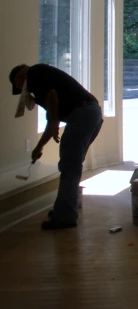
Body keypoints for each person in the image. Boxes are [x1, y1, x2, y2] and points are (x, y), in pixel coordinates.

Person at [9, 63, 103, 230]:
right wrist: (39, 147)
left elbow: (52, 100)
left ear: (18, 78)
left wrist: (53, 123)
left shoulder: (35, 72)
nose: (25, 92)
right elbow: (52, 119)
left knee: (69, 167)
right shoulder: (42, 84)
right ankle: (64, 209)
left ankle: (65, 216)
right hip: (91, 113)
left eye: (18, 87)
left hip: (81, 114)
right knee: (71, 165)